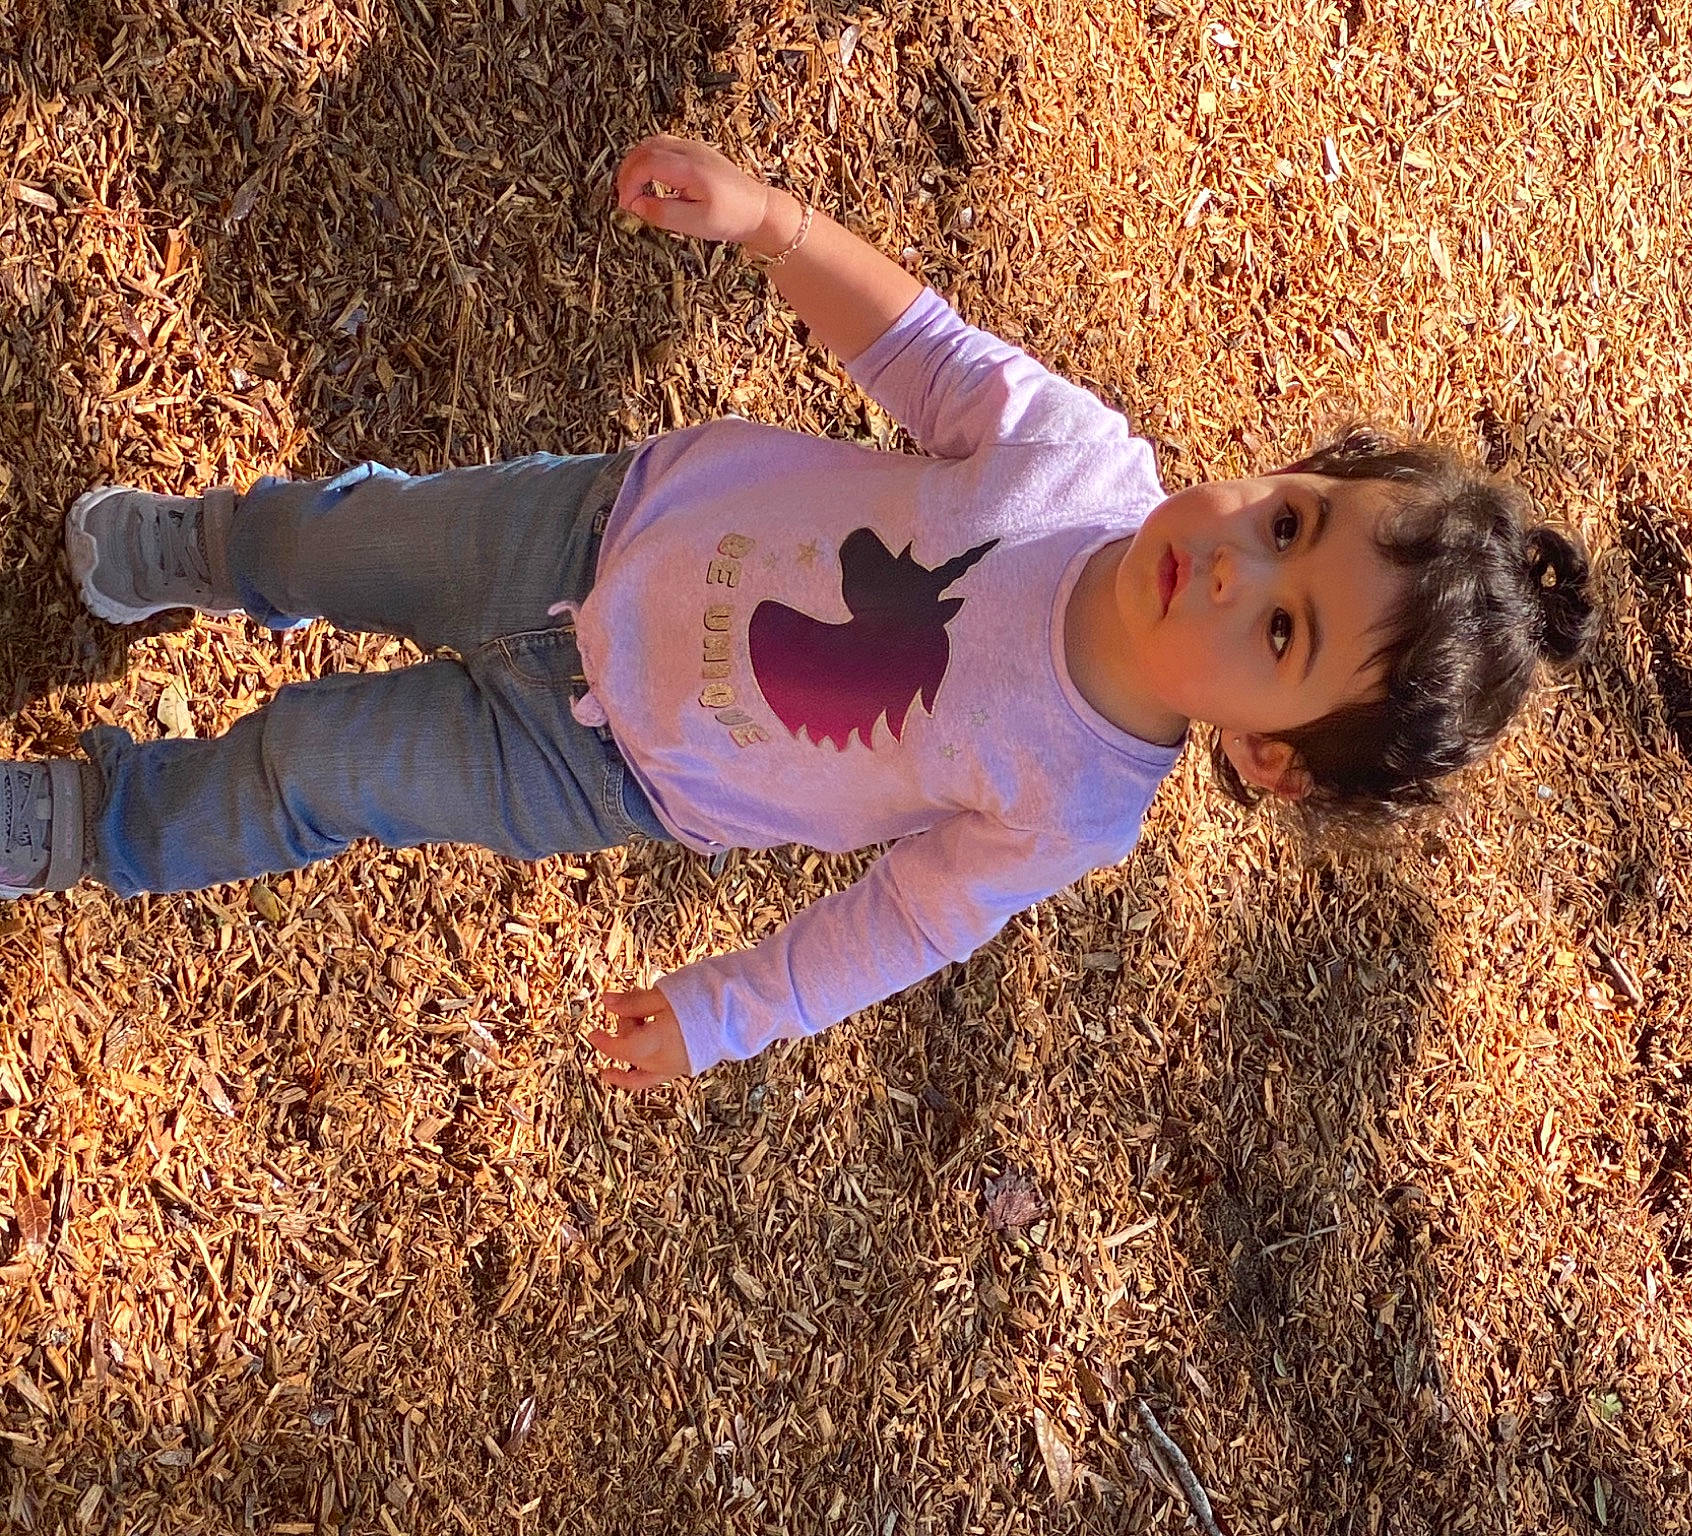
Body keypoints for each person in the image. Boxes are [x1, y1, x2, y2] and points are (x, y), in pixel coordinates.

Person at [1, 136, 1594, 1089]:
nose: (1239, 568)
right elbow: (924, 353)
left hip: (607, 768)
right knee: (335, 543)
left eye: (1284, 635)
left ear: (1270, 758)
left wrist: (724, 1012)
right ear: (1291, 468)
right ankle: (204, 547)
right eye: (1291, 522)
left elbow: (890, 928)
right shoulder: (1083, 463)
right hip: (598, 525)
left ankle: (84, 828)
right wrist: (772, 227)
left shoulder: (1077, 808)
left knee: (314, 776)